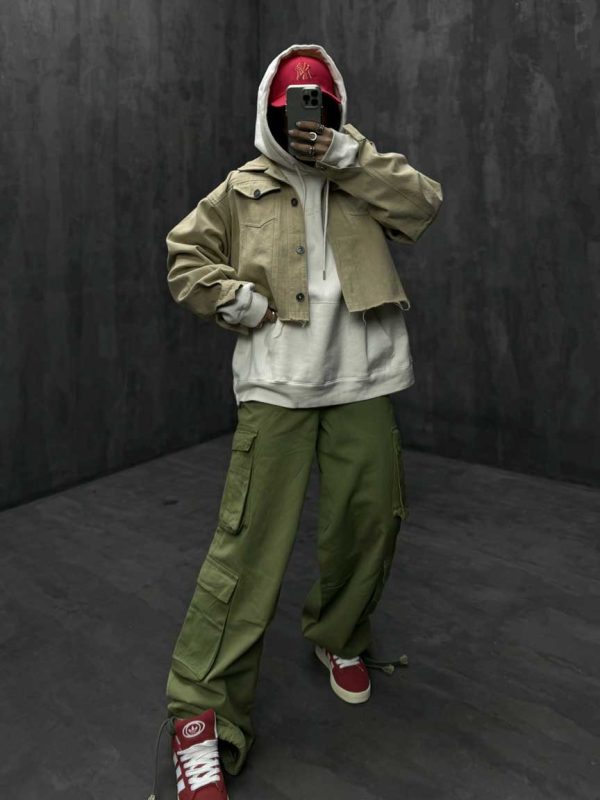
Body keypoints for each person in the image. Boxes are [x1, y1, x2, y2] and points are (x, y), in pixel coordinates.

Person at [147, 42, 443, 800]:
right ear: (270, 114)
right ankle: (203, 718)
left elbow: (423, 206)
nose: (305, 122)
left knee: (370, 522)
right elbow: (185, 258)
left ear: (336, 109)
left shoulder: (365, 169)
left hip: (364, 378)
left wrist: (351, 157)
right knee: (246, 549)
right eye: (291, 110)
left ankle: (339, 635)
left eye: (319, 107)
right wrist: (233, 301)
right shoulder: (241, 188)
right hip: (277, 385)